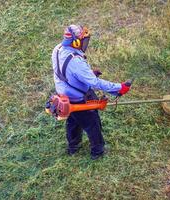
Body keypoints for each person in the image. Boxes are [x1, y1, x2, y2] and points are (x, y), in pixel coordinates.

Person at [51, 24, 131, 160]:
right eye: (83, 40)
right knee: (92, 124)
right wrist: (119, 88)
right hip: (79, 98)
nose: (85, 44)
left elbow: (64, 72)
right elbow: (95, 83)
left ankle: (73, 146)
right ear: (75, 42)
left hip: (64, 96)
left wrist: (87, 74)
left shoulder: (57, 49)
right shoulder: (76, 61)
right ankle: (97, 152)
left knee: (73, 121)